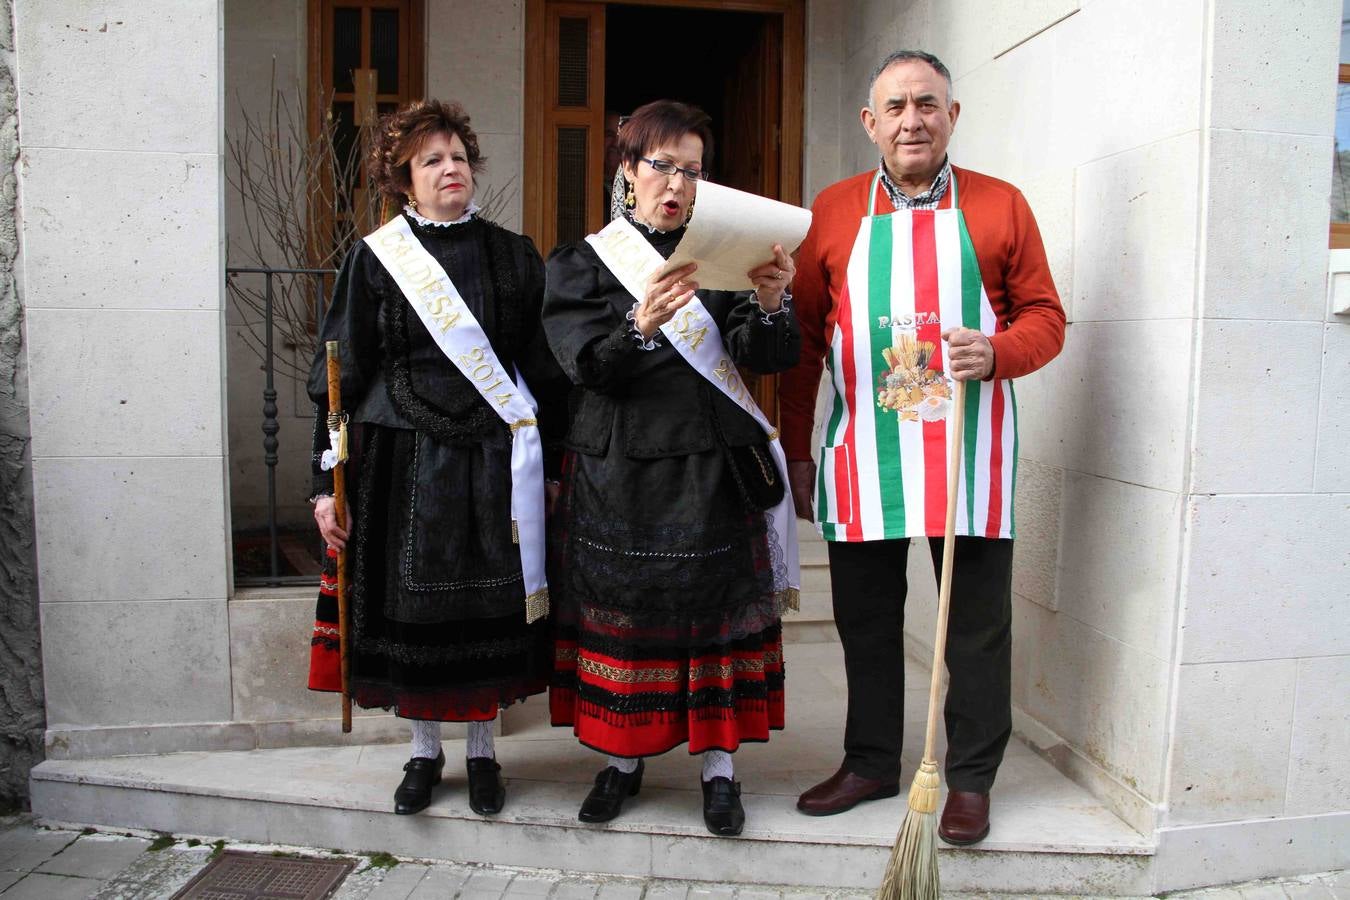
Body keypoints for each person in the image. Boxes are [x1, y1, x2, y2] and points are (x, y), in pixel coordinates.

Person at [780, 50, 1066, 845]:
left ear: (952, 115)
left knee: (975, 628)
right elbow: (804, 341)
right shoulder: (832, 210)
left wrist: (1000, 353)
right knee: (865, 624)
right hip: (864, 454)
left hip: (968, 453)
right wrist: (796, 447)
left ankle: (969, 777)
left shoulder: (1002, 205)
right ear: (871, 123)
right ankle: (870, 762)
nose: (913, 120)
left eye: (927, 105)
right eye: (896, 107)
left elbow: (1046, 316)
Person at [542, 99, 801, 837]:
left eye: (691, 170)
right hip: (618, 471)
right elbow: (584, 367)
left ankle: (720, 771)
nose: (677, 183)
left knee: (712, 619)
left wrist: (773, 299)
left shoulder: (721, 254)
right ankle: (622, 761)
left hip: (709, 468)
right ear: (627, 172)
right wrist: (638, 326)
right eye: (662, 166)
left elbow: (767, 357)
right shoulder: (583, 264)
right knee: (622, 621)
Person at [305, 99, 568, 819]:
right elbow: (339, 371)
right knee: (411, 617)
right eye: (431, 161)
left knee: (489, 612)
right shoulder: (374, 257)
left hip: (493, 460)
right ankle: (425, 752)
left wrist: (551, 469)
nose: (449, 169)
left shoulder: (514, 254)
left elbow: (543, 368)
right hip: (402, 459)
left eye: (457, 156)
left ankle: (483, 754)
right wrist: (323, 484)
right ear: (404, 180)